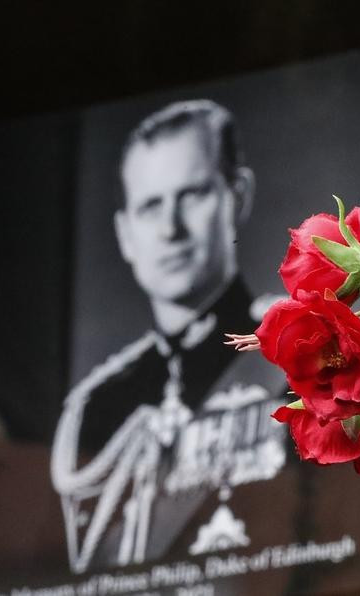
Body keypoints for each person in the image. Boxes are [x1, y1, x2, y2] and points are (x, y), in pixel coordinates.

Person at [50, 100, 294, 574]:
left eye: (192, 195)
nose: (170, 228)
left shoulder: (301, 351)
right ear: (125, 234)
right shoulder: (95, 408)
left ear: (237, 196)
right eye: (150, 206)